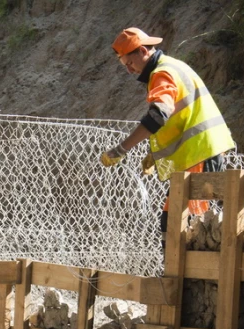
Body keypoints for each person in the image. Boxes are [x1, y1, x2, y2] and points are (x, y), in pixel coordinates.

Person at [100, 27, 235, 256]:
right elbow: (179, 117)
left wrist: (121, 149)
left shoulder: (161, 74)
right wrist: (156, 154)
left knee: (187, 228)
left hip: (199, 156)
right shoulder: (173, 66)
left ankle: (187, 284)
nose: (129, 70)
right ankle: (182, 281)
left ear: (142, 50)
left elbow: (158, 115)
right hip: (201, 154)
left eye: (129, 63)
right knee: (175, 225)